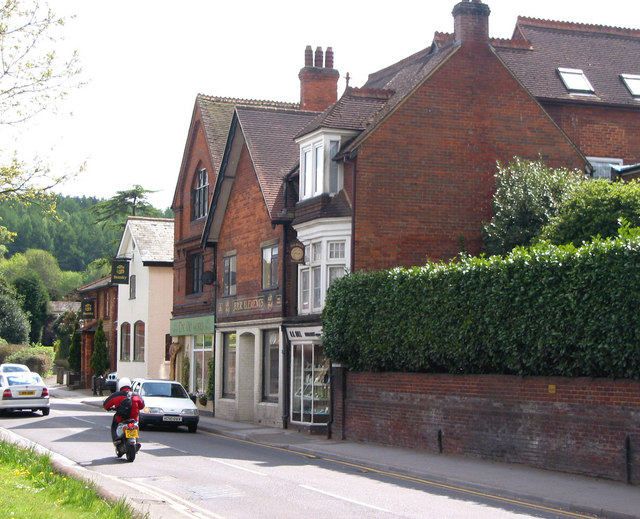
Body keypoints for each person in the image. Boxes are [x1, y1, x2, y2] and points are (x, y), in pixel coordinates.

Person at [102, 377, 145, 444]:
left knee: (114, 424)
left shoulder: (116, 395)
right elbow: (142, 406)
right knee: (136, 424)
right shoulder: (137, 396)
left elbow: (106, 405)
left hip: (121, 419)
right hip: (134, 420)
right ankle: (136, 439)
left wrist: (109, 408)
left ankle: (116, 439)